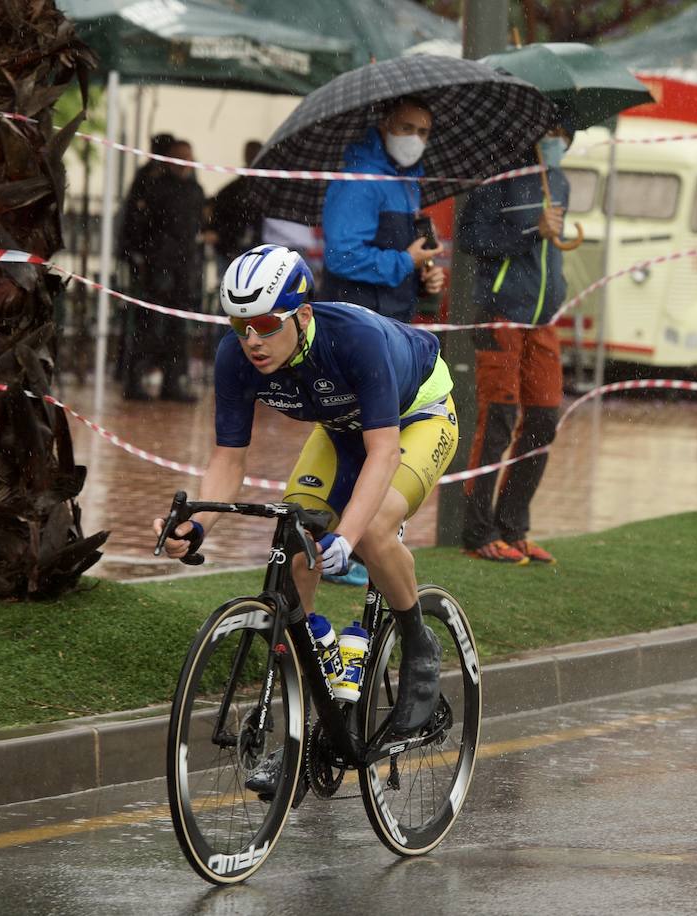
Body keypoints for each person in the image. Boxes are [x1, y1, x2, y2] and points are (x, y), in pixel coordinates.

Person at [152, 244, 459, 791]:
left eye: (267, 325)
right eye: (240, 325)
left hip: (417, 418)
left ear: (303, 314)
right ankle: (309, 715)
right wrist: (197, 524)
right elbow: (229, 457)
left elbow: (384, 453)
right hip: (340, 429)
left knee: (375, 529)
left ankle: (419, 646)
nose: (252, 341)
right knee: (297, 539)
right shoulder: (235, 357)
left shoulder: (354, 339)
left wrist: (347, 534)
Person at [453, 120, 574, 564]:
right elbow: (469, 238)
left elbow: (551, 249)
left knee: (544, 419)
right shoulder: (497, 178)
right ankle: (477, 532)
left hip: (544, 319)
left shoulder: (560, 180)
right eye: (550, 132)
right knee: (497, 419)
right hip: (500, 314)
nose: (557, 141)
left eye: (564, 132)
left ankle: (513, 525)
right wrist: (529, 232)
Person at [321, 97, 445, 323]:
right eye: (406, 128)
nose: (414, 139)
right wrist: (407, 261)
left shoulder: (409, 181)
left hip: (391, 321)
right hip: (354, 323)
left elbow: (393, 248)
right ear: (384, 125)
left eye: (422, 132)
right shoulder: (360, 181)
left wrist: (422, 278)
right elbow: (341, 256)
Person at [118, 134, 204, 402]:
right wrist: (144, 258)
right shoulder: (155, 187)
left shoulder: (194, 190)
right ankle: (135, 380)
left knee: (178, 330)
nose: (186, 163)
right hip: (159, 268)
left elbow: (194, 229)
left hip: (184, 270)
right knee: (151, 326)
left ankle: (172, 382)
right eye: (180, 157)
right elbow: (139, 227)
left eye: (189, 157)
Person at [208, 140, 265, 276]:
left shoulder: (265, 188)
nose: (253, 158)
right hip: (232, 251)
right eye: (251, 154)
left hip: (255, 252)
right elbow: (218, 220)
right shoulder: (232, 191)